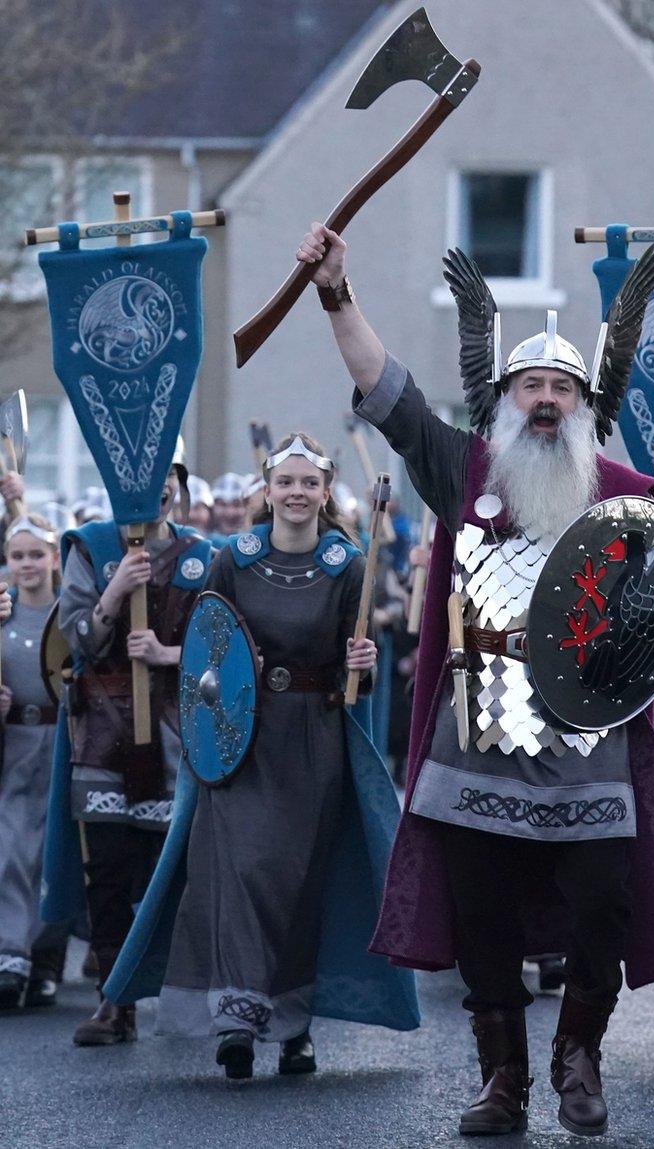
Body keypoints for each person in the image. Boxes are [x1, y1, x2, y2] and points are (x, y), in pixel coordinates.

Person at [297, 224, 654, 1138]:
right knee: (479, 909)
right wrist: (337, 293)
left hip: (587, 736)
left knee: (604, 900)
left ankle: (580, 1057)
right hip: (475, 725)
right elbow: (386, 389)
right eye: (532, 385)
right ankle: (502, 1077)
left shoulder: (622, 489)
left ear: (583, 403)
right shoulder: (463, 470)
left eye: (563, 387)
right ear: (504, 396)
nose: (546, 399)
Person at [103, 433, 419, 1079]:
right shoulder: (233, 560)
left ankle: (294, 1024)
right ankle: (238, 1021)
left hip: (311, 741)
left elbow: (352, 674)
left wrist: (362, 663)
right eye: (286, 482)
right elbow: (206, 647)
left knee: (295, 885)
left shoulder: (348, 564)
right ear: (266, 492)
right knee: (240, 872)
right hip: (238, 740)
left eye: (309, 482)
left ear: (325, 492)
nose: (297, 493)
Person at [45, 451, 213, 1045]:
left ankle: (172, 992)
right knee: (109, 874)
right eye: (147, 479)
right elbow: (77, 641)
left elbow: (217, 647)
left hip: (172, 732)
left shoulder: (200, 555)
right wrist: (115, 590)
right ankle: (114, 1002)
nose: (157, 490)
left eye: (168, 479)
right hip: (104, 731)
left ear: (179, 486)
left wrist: (168, 655)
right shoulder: (89, 547)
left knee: (166, 875)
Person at [0, 519, 52, 1009]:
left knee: (52, 854)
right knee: (12, 846)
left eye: (37, 554)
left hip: (63, 741)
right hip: (17, 741)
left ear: (54, 558)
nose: (28, 565)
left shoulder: (66, 613)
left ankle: (45, 960)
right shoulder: (3, 615)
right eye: (18, 556)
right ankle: (11, 954)